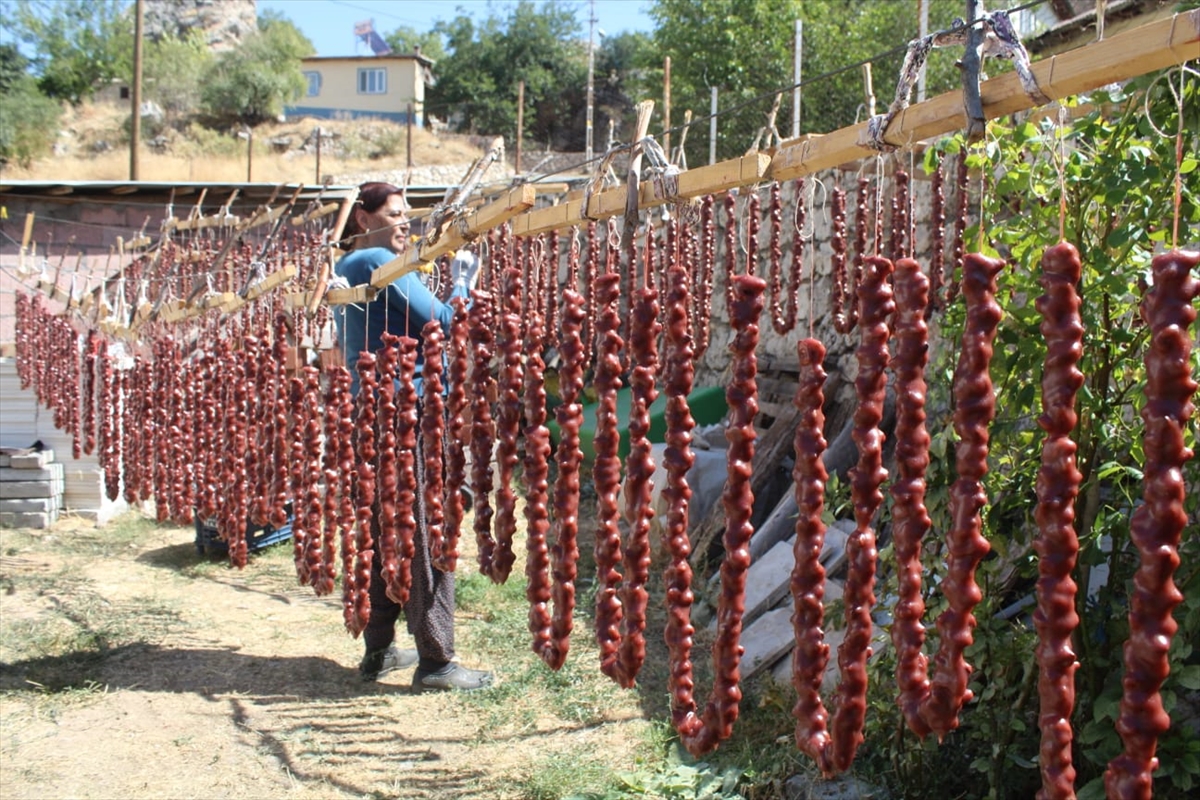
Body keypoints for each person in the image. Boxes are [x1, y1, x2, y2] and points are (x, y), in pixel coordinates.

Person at [334, 181, 491, 692]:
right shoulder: (378, 259)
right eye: (394, 214)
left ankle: (379, 650)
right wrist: (463, 284)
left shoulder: (347, 266)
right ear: (363, 219)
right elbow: (444, 322)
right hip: (408, 411)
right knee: (426, 526)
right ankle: (437, 662)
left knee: (386, 528)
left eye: (407, 215)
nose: (405, 224)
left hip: (373, 408)